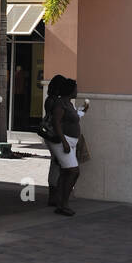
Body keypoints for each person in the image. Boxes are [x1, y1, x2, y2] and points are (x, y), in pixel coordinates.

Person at [43, 75, 86, 216]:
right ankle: (63, 203)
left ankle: (61, 202)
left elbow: (74, 118)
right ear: (70, 90)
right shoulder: (60, 104)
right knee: (74, 171)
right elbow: (56, 123)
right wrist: (65, 142)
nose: (77, 91)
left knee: (65, 171)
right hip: (63, 142)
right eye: (76, 88)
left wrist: (83, 110)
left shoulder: (69, 103)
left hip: (70, 141)